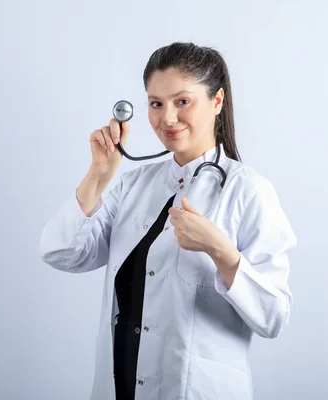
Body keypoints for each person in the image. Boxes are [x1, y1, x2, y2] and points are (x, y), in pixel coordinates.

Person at [39, 42, 297, 400]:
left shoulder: (247, 190)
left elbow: (274, 316)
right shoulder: (134, 184)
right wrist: (98, 175)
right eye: (156, 104)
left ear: (217, 102)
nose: (168, 118)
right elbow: (62, 253)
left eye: (183, 101)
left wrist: (221, 251)